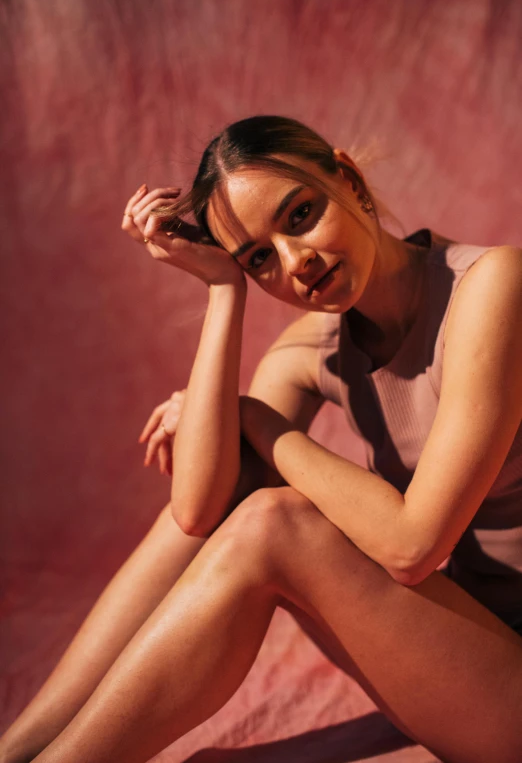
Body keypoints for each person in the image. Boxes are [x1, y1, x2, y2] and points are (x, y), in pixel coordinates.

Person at [2, 115, 522, 763]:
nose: (295, 262)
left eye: (301, 214)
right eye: (259, 259)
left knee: (277, 521)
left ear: (350, 181)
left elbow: (414, 545)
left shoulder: (491, 286)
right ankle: (20, 749)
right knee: (246, 491)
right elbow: (197, 509)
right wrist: (223, 290)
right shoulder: (318, 344)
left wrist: (257, 417)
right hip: (463, 652)